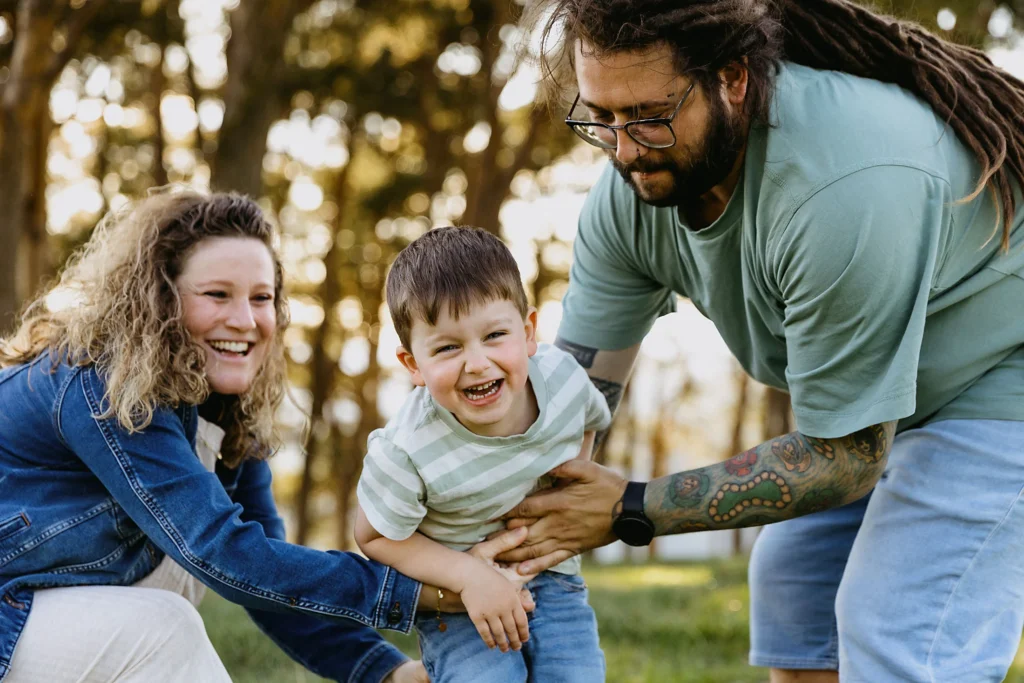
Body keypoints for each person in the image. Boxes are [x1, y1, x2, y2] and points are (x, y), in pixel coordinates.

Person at [493, 1, 1024, 682]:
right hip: (902, 392)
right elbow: (570, 403)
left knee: (897, 629)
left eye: (650, 115)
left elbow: (845, 458)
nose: (624, 150)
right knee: (792, 588)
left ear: (732, 79)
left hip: (1004, 377)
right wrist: (479, 525)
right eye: (602, 117)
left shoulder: (838, 188)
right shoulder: (631, 199)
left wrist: (631, 507)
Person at [0, 190, 533, 683]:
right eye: (217, 295)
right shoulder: (100, 384)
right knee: (164, 624)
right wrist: (428, 591)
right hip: (9, 612)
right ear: (160, 300)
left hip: (51, 609)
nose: (245, 320)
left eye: (262, 298)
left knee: (178, 593)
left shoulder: (222, 406)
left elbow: (267, 570)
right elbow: (225, 554)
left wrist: (384, 671)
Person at [354, 226, 610, 683]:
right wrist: (469, 577)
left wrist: (566, 498)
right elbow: (374, 536)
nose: (476, 363)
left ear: (527, 333)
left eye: (494, 335)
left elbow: (589, 420)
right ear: (413, 364)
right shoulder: (407, 448)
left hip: (551, 573)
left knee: (574, 675)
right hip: (459, 596)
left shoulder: (563, 380)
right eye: (447, 347)